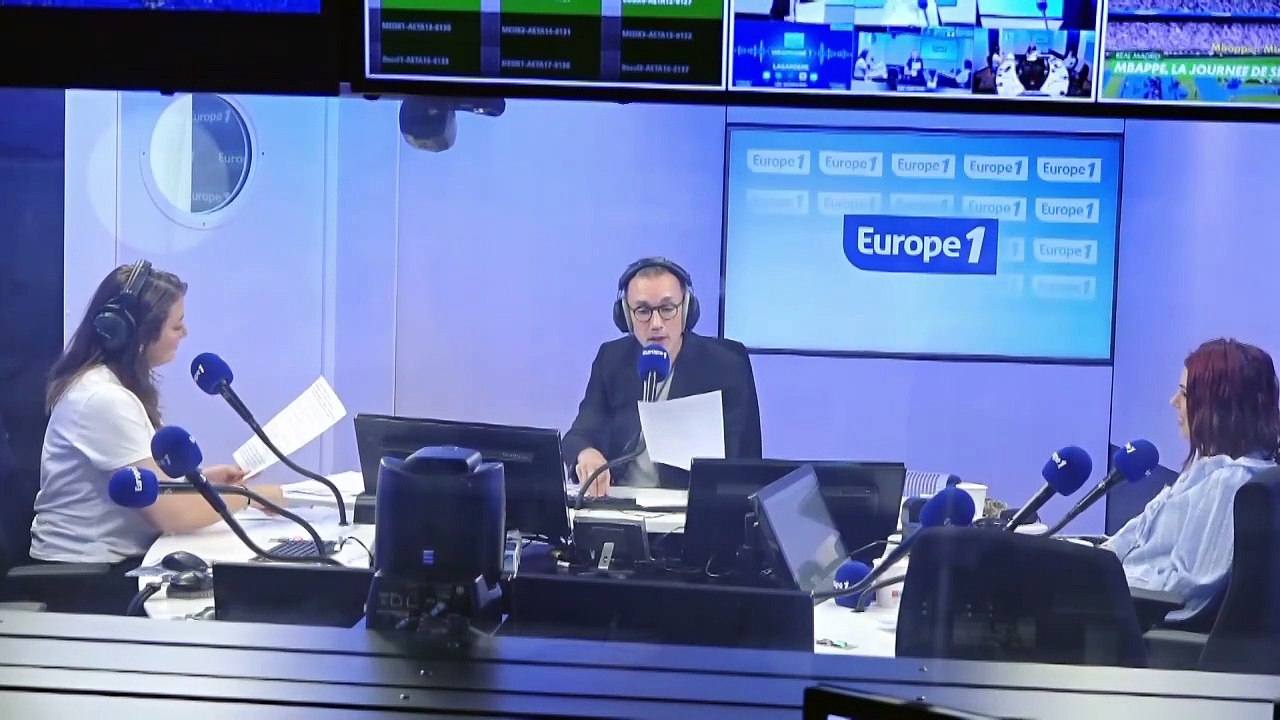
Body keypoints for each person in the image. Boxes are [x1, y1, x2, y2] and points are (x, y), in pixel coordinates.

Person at [27, 260, 284, 611]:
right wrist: (250, 496)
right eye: (176, 325)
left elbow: (147, 481)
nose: (184, 333)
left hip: (109, 566)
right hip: (86, 581)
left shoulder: (111, 387)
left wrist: (205, 479)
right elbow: (169, 514)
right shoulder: (102, 399)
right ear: (137, 333)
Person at [1106, 338, 1280, 627]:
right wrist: (1093, 560)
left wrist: (1104, 579)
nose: (1173, 401)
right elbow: (1132, 540)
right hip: (1120, 592)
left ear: (1220, 406)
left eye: (1185, 393)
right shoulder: (1205, 469)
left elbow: (1186, 590)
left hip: (1133, 621)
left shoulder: (1229, 483)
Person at [564, 258, 762, 496]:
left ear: (686, 309)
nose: (656, 324)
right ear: (626, 315)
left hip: (689, 505)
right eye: (643, 311)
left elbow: (741, 466)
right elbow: (578, 434)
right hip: (619, 503)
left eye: (667, 309)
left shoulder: (725, 366)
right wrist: (586, 453)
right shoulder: (612, 359)